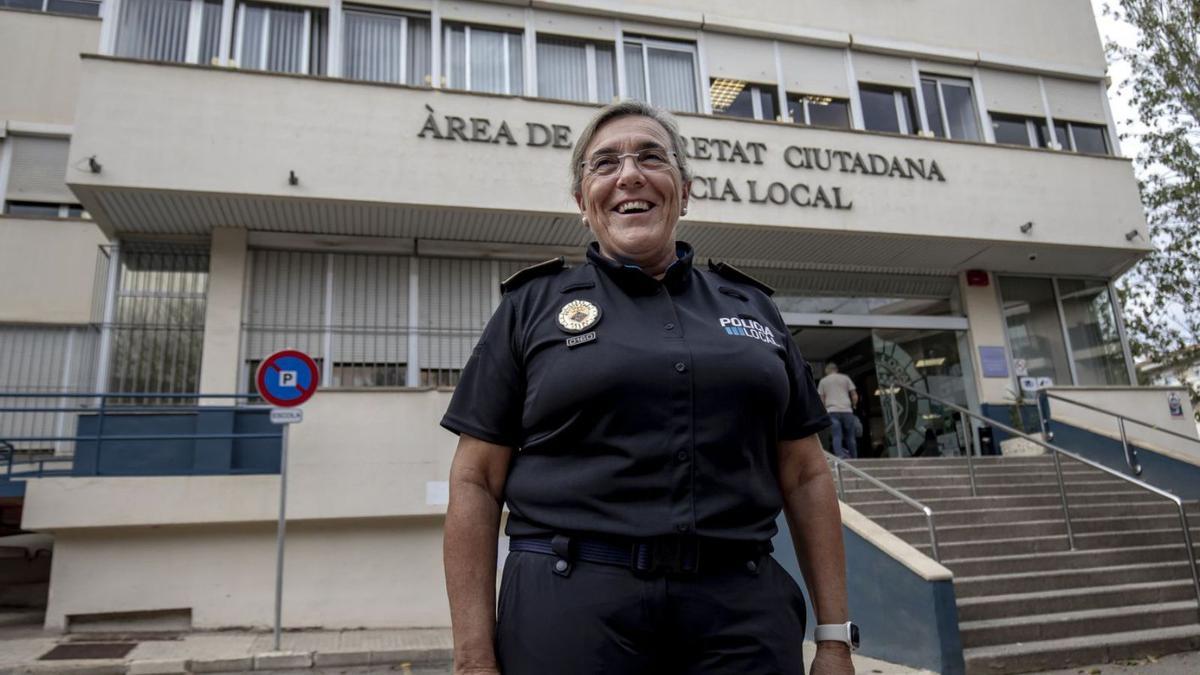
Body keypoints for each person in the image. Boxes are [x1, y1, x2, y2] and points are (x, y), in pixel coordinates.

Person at [441, 101, 856, 675]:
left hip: (741, 614)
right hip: (570, 613)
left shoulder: (752, 308)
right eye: (604, 163)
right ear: (583, 203)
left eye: (651, 157)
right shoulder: (530, 307)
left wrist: (834, 639)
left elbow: (807, 474)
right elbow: (474, 480)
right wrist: (471, 656)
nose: (629, 174)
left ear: (684, 191)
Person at [817, 363, 859, 459]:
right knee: (850, 436)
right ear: (836, 369)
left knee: (837, 435)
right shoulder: (845, 378)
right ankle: (854, 458)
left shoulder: (823, 381)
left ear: (827, 370)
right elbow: (854, 395)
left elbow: (822, 398)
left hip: (832, 411)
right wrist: (854, 405)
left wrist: (823, 411)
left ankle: (840, 457)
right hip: (847, 410)